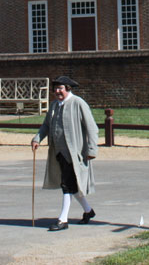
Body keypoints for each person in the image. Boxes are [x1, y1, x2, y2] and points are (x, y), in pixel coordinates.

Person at [31, 76, 99, 231]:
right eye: (55, 88)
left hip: (75, 154)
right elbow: (46, 126)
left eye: (60, 88)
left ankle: (63, 220)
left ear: (68, 88)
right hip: (59, 152)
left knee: (66, 185)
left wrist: (92, 149)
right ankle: (88, 211)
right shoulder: (54, 105)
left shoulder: (78, 103)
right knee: (71, 186)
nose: (57, 91)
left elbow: (92, 128)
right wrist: (37, 139)